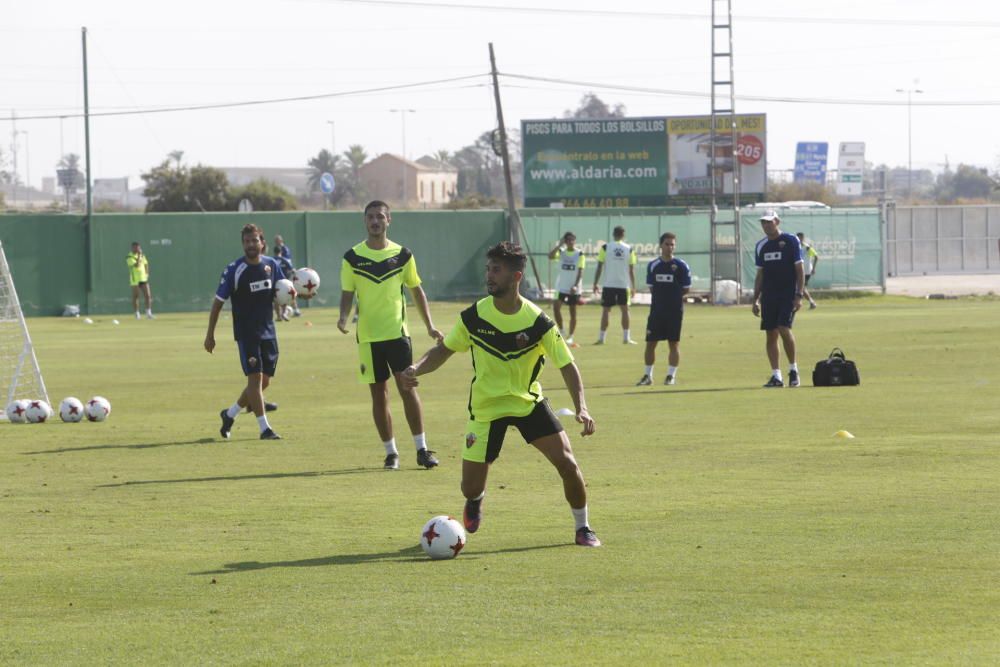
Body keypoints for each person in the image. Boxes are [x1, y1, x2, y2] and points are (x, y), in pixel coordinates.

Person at [401, 241, 601, 548]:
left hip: (527, 404)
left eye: (497, 270)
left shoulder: (538, 322)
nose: (489, 276)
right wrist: (417, 367)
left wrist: (582, 408)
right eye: (488, 269)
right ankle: (476, 499)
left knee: (568, 464)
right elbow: (444, 350)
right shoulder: (474, 317)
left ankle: (583, 527)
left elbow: (567, 365)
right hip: (486, 408)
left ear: (516, 276)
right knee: (469, 487)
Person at [337, 200, 443, 470]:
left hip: (397, 335)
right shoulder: (352, 257)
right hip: (369, 338)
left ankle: (422, 449)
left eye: (380, 217)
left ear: (388, 221)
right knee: (379, 395)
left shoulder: (403, 255)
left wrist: (430, 326)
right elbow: (347, 293)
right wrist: (342, 316)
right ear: (364, 221)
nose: (375, 221)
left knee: (407, 388)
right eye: (371, 217)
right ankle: (391, 453)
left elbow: (416, 291)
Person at [204, 223, 286, 440]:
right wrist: (210, 334)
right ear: (243, 244)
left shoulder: (271, 265)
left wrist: (298, 295)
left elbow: (282, 291)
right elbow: (218, 303)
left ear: (262, 243)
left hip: (269, 331)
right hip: (247, 333)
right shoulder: (234, 270)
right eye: (247, 241)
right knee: (255, 381)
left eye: (254, 241)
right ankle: (264, 429)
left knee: (263, 381)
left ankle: (230, 414)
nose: (251, 245)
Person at [752, 210, 805, 388]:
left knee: (784, 328)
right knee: (771, 333)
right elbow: (760, 275)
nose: (767, 225)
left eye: (770, 222)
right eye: (764, 223)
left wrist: (799, 295)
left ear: (777, 221)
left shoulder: (790, 241)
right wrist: (755, 299)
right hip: (769, 296)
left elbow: (799, 270)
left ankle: (793, 370)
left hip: (787, 294)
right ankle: (777, 376)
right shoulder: (761, 246)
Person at [636, 232, 691, 386]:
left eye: (672, 244)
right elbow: (652, 288)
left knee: (673, 344)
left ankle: (670, 376)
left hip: (674, 312)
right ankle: (648, 376)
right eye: (667, 244)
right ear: (661, 245)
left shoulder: (681, 266)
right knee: (650, 343)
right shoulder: (653, 266)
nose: (670, 247)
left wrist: (672, 298)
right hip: (657, 312)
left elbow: (686, 289)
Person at [592, 225, 637, 344]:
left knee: (606, 310)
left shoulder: (605, 247)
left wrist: (595, 283)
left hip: (608, 285)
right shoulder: (629, 249)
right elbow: (632, 269)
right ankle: (626, 338)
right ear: (623, 235)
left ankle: (602, 339)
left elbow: (599, 266)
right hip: (623, 285)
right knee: (625, 310)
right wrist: (633, 286)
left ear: (613, 234)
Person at [547, 231, 585, 347]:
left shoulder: (579, 254)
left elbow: (580, 271)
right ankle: (562, 331)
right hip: (561, 287)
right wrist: (559, 244)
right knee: (556, 307)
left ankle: (571, 336)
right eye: (567, 240)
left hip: (573, 288)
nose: (570, 242)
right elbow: (550, 256)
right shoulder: (561, 252)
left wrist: (575, 285)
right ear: (565, 241)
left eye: (572, 239)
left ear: (575, 240)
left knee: (572, 312)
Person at [272, 235, 301, 319]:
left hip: (277, 281)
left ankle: (281, 315)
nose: (276, 241)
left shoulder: (272, 260)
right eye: (275, 240)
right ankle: (286, 312)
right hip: (285, 279)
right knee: (289, 294)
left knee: (277, 297)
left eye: (277, 240)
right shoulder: (283, 260)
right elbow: (292, 268)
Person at [126, 242, 154, 320]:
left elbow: (146, 263)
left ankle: (148, 313)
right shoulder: (129, 257)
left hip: (143, 279)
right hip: (135, 280)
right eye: (135, 247)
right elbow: (137, 265)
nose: (137, 249)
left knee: (148, 296)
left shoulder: (142, 255)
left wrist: (147, 273)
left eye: (138, 247)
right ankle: (137, 313)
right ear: (132, 248)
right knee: (136, 297)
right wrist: (138, 255)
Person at [796, 232, 820, 310]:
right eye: (798, 237)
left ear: (803, 238)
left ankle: (811, 302)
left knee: (801, 287)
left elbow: (816, 257)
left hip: (806, 270)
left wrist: (813, 268)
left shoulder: (807, 247)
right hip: (799, 270)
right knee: (800, 287)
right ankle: (810, 302)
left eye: (801, 237)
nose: (799, 239)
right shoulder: (796, 247)